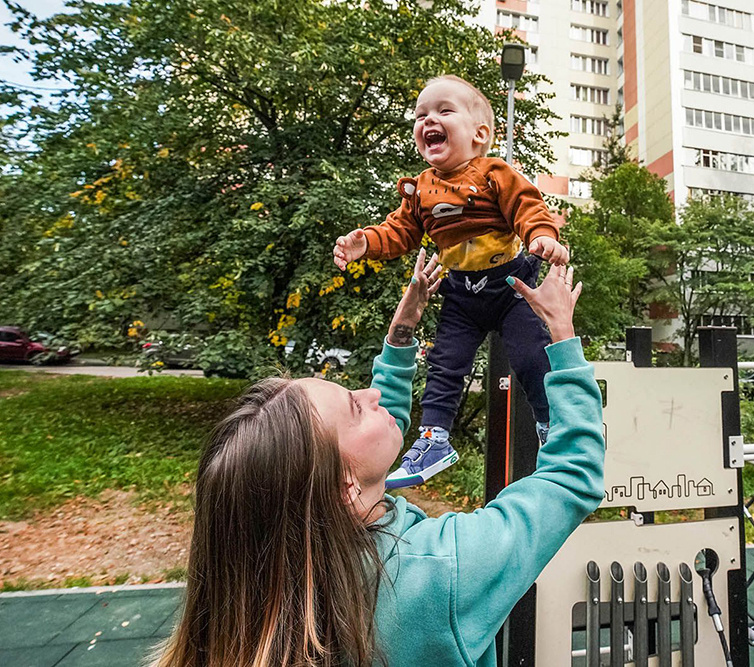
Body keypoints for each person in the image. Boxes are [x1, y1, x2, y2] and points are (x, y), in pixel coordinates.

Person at [152, 251, 604, 667]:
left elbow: (370, 435)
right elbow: (572, 476)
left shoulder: (267, 581)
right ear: (345, 488)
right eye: (354, 406)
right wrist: (561, 334)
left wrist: (402, 332)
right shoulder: (441, 570)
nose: (371, 394)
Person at [332, 75, 571, 489]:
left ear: (480, 135)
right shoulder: (420, 189)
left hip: (511, 287)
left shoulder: (494, 173)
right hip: (460, 293)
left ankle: (551, 426)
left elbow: (526, 207)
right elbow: (399, 232)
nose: (428, 120)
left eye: (444, 111)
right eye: (420, 115)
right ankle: (435, 438)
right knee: (444, 364)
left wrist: (541, 236)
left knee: (531, 357)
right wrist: (365, 243)